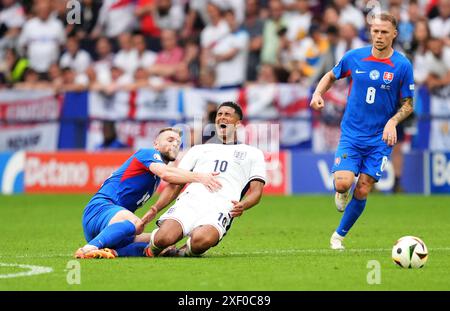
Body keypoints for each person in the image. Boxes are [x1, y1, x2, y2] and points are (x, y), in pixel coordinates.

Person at [309, 12, 414, 250]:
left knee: (365, 186)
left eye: (384, 32)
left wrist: (393, 121)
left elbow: (408, 103)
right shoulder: (354, 57)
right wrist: (318, 93)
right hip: (352, 134)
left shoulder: (402, 65)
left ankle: (338, 236)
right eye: (375, 31)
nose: (379, 36)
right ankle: (342, 192)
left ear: (394, 34)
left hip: (381, 137)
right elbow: (330, 75)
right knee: (343, 183)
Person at [141, 102, 266, 257]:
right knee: (163, 238)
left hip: (221, 207)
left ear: (238, 123)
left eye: (227, 115)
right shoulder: (198, 150)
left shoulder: (253, 153)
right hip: (190, 203)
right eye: (219, 115)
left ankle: (182, 252)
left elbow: (256, 192)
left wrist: (243, 205)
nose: (222, 118)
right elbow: (175, 186)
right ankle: (149, 248)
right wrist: (155, 209)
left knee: (201, 240)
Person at [74, 127, 222, 258]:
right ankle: (88, 249)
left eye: (178, 142)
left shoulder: (155, 176)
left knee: (157, 240)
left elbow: (173, 182)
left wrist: (155, 209)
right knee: (135, 222)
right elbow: (167, 174)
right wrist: (200, 176)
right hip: (100, 209)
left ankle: (112, 251)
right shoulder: (148, 153)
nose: (175, 144)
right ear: (156, 144)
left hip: (110, 227)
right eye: (170, 140)